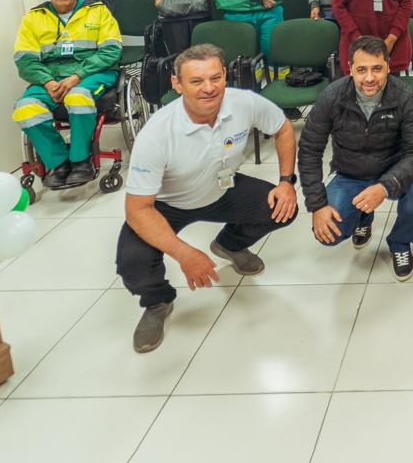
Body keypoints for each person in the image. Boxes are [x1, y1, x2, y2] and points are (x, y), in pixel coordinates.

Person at [115, 44, 298, 352]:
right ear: (177, 84)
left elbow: (282, 128)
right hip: (166, 205)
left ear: (225, 75)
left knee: (282, 208)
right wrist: (184, 253)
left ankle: (229, 244)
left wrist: (285, 182)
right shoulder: (156, 135)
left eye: (215, 78)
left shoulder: (244, 102)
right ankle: (158, 303)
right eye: (197, 81)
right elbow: (137, 211)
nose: (209, 88)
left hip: (222, 188)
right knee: (132, 263)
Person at [299, 35, 413, 280]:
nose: (369, 78)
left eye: (377, 69)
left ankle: (401, 242)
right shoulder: (332, 97)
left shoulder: (405, 97)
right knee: (330, 235)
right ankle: (363, 216)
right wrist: (317, 204)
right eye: (361, 70)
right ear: (350, 69)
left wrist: (384, 187)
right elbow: (309, 149)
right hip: (350, 174)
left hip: (394, 170)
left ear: (388, 67)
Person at [12, 0, 120, 189]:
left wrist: (76, 76)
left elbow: (111, 51)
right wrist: (48, 81)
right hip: (50, 78)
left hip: (91, 73)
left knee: (78, 97)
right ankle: (59, 163)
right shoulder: (33, 19)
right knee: (25, 109)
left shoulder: (98, 12)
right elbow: (24, 60)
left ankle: (81, 160)